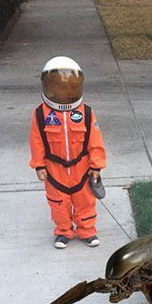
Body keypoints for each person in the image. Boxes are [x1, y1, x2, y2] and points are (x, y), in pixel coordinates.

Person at [29, 56, 106, 249]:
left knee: (85, 201)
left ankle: (87, 230)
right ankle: (63, 232)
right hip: (54, 170)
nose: (66, 92)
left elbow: (95, 141)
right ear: (49, 87)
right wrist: (39, 165)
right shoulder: (41, 114)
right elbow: (36, 141)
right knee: (58, 204)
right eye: (61, 87)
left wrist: (96, 165)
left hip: (81, 168)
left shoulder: (86, 113)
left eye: (71, 87)